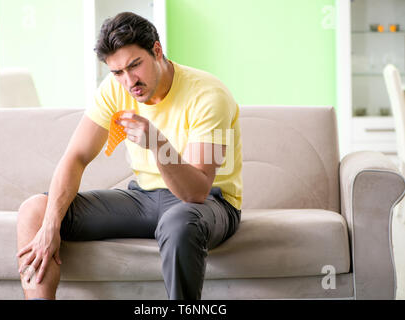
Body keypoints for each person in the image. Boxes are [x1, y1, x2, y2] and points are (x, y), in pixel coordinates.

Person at [16, 11, 242, 300]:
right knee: (35, 210)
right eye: (117, 72)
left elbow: (197, 192)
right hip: (145, 199)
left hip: (211, 202)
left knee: (179, 222)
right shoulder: (115, 89)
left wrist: (157, 143)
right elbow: (75, 157)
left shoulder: (209, 94)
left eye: (135, 65)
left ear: (157, 51)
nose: (129, 81)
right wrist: (50, 225)